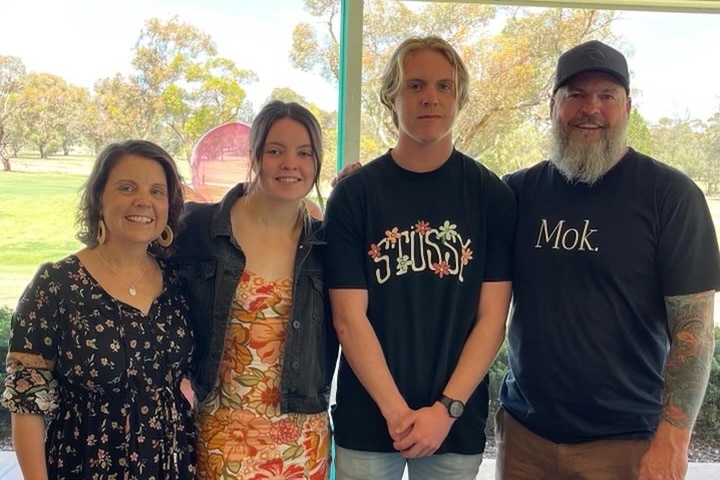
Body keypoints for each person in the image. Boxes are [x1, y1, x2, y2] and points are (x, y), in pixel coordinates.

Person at [497, 40, 720, 480]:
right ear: (553, 105)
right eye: (575, 95)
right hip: (525, 436)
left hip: (625, 444)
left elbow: (693, 333)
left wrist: (673, 442)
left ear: (628, 107)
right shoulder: (517, 193)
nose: (590, 108)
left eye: (606, 96)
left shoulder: (670, 197)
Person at [324, 36, 516, 480]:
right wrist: (396, 413)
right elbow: (349, 319)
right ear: (392, 96)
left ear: (459, 97)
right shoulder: (355, 196)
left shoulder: (492, 197)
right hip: (368, 423)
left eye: (443, 86)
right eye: (414, 85)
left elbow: (492, 320)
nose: (430, 97)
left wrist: (445, 411)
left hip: (454, 422)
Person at [1, 139, 196, 479]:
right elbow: (27, 403)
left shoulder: (178, 282)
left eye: (157, 191)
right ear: (99, 199)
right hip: (85, 465)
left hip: (172, 465)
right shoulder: (57, 284)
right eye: (127, 187)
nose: (143, 201)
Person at [173, 100, 338, 480]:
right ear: (255, 154)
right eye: (275, 151)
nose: (289, 164)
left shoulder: (326, 245)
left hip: (302, 437)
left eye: (304, 153)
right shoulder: (198, 229)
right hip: (221, 434)